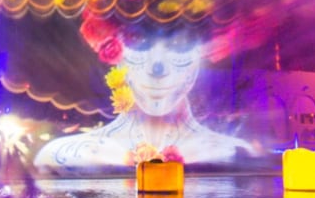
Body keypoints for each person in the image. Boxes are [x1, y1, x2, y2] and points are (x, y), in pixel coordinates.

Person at [33, 22, 255, 172]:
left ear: (202, 55)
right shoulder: (63, 156)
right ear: (115, 53)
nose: (157, 68)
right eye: (138, 40)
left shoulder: (235, 153)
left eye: (179, 45)